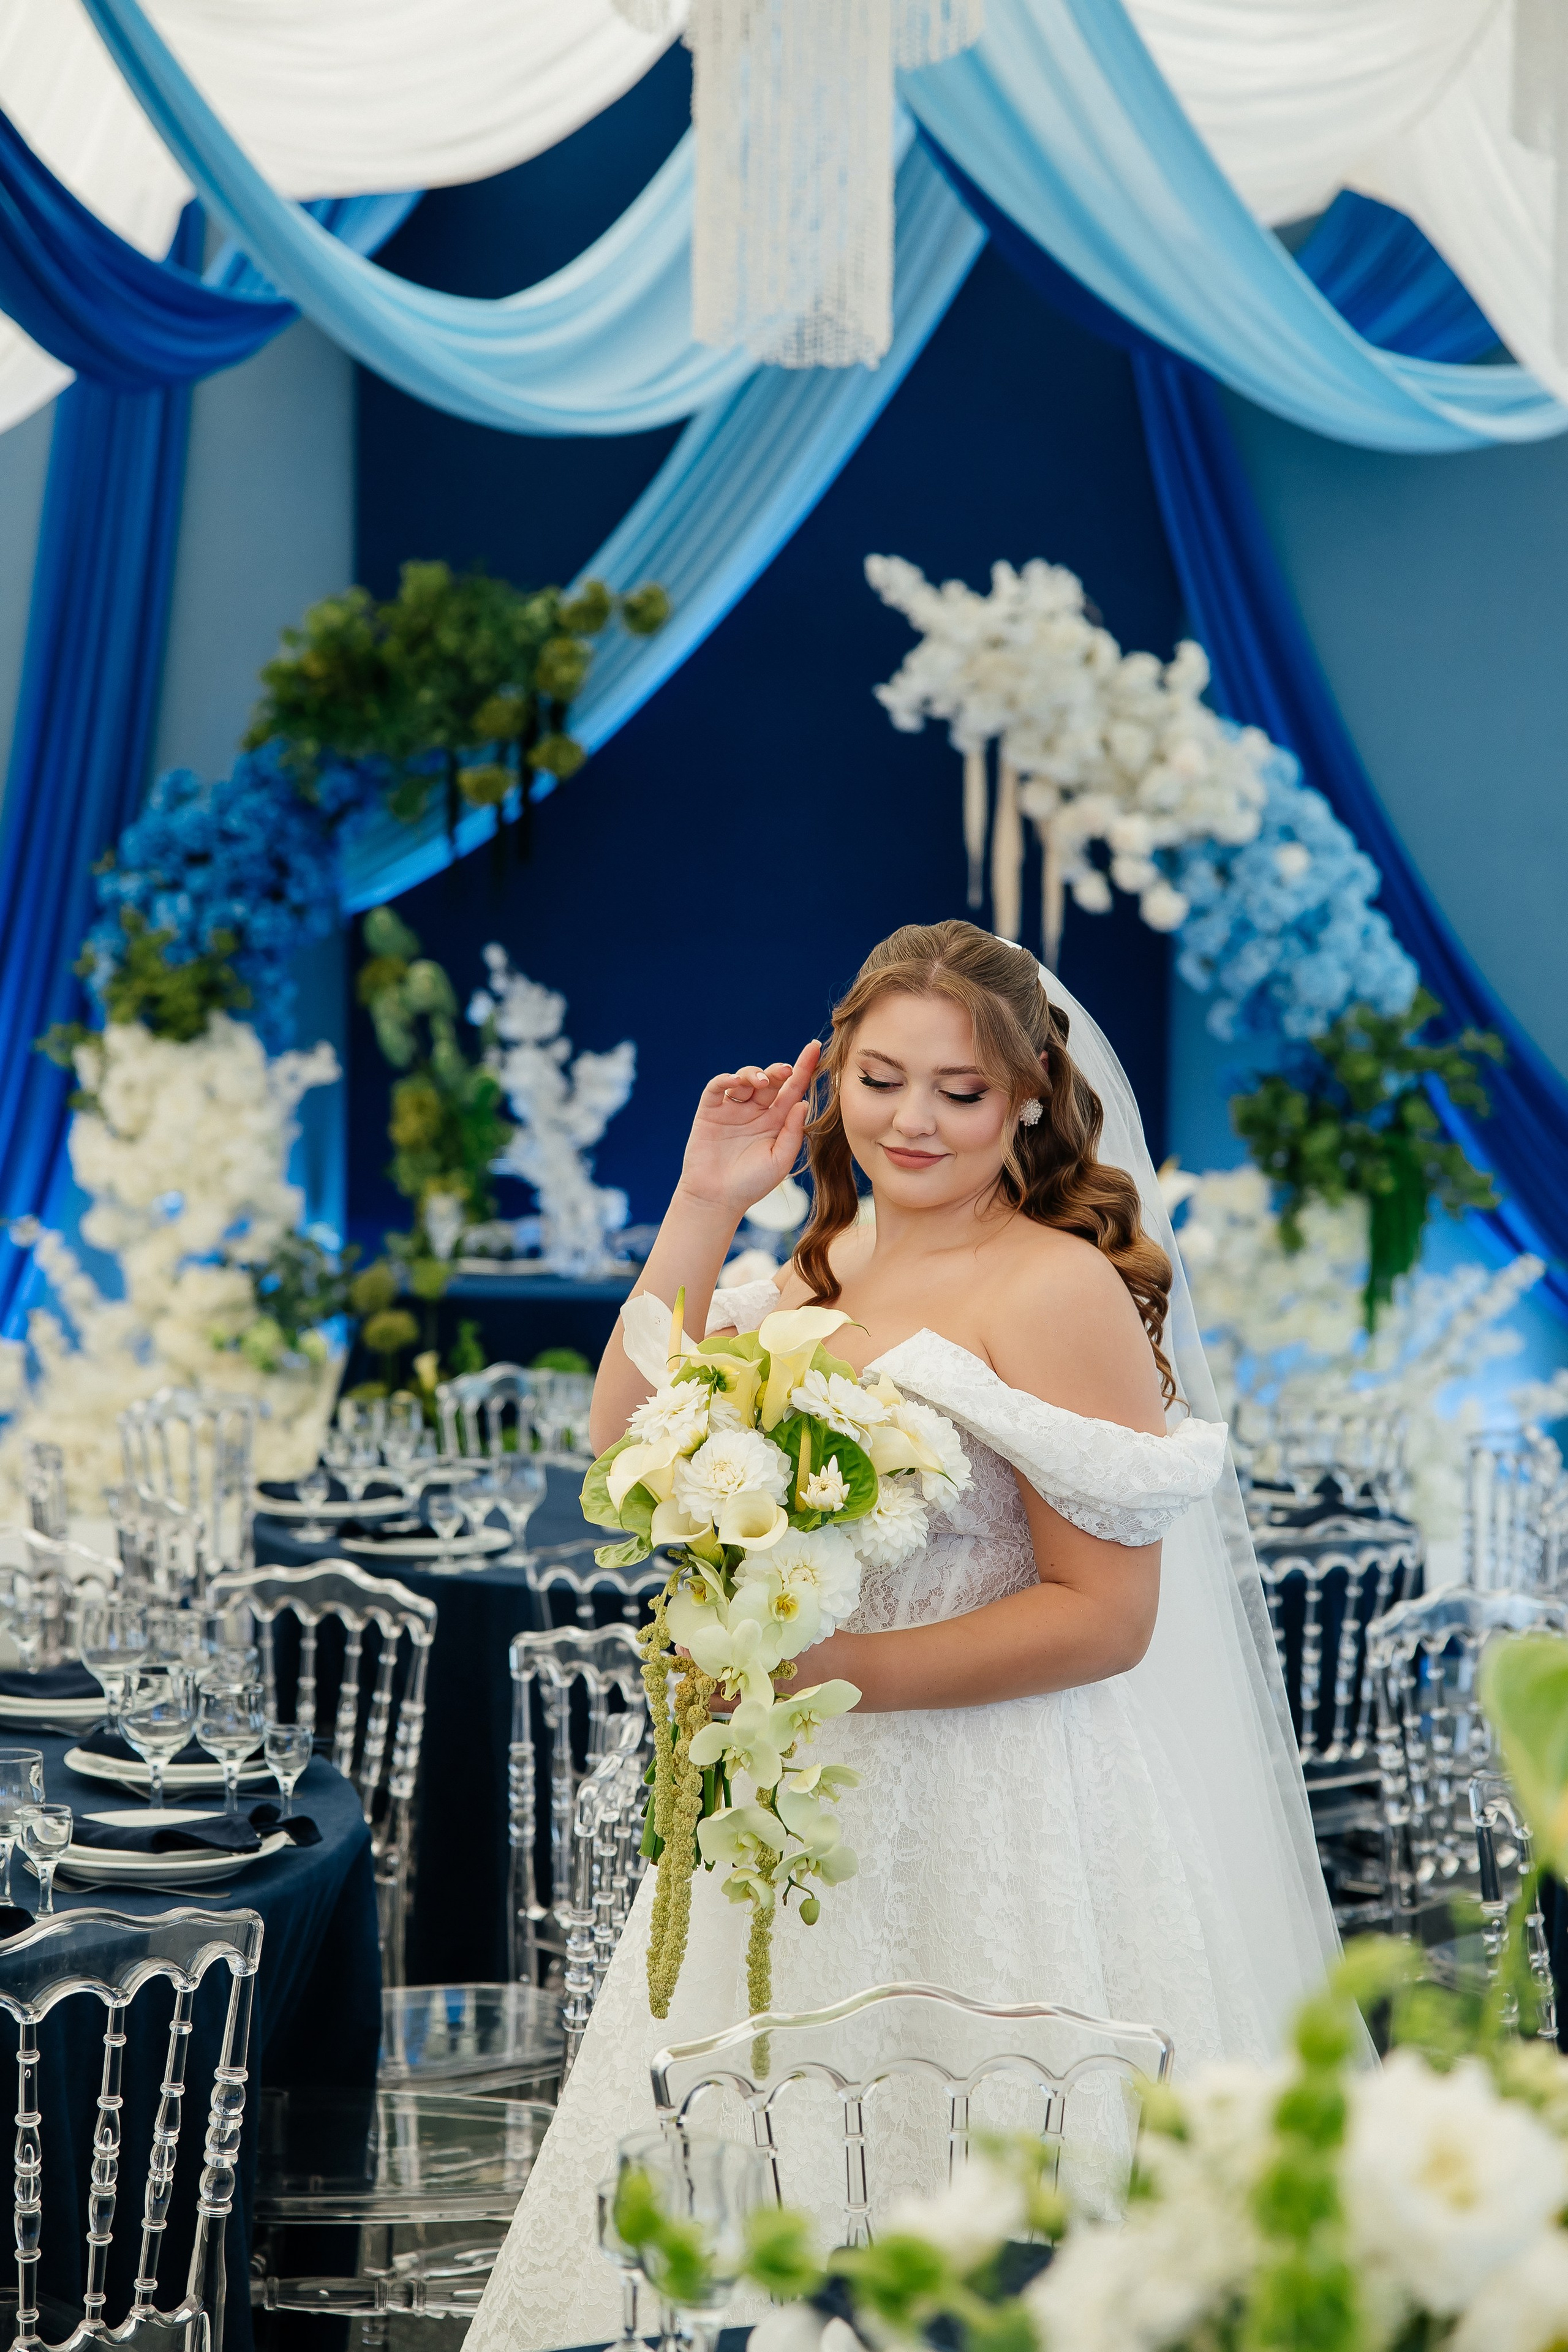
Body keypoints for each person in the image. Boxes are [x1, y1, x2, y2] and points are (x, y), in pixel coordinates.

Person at [468, 920, 1339, 2352]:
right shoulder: (811, 1265)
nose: (911, 1120)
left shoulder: (1052, 1287)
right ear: (834, 1077)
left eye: (959, 1091)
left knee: (999, 2224)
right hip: (794, 1816)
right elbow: (619, 1444)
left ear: (1028, 1103)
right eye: (879, 1079)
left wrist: (823, 1674)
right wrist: (699, 1201)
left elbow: (1106, 1619)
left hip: (1003, 1811)